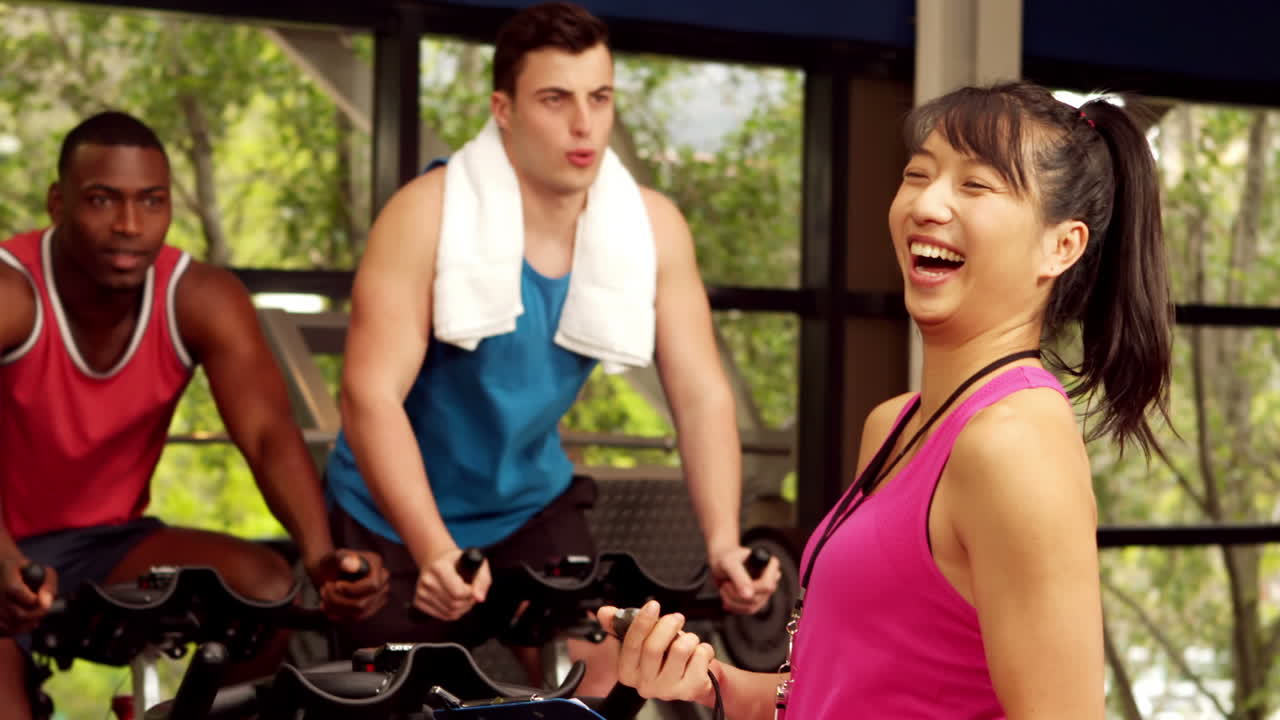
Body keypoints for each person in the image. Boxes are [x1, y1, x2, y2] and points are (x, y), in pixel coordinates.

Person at [599, 81, 1173, 719]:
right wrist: (712, 683)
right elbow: (849, 695)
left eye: (975, 185)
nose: (927, 204)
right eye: (917, 174)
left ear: (1060, 246)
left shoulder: (1014, 444)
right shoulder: (893, 424)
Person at [326, 0, 780, 694]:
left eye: (599, 98)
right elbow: (368, 396)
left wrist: (723, 541)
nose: (583, 124)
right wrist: (434, 550)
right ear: (502, 109)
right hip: (394, 513)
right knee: (407, 700)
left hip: (529, 504)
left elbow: (700, 393)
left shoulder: (649, 227)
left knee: (604, 679)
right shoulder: (424, 215)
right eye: (555, 99)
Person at [0, 111, 390, 718]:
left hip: (106, 543)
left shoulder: (200, 297)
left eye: (151, 202)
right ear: (57, 203)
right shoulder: (12, 292)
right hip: (1, 541)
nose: (129, 225)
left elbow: (266, 435)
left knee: (265, 590)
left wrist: (320, 557)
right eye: (103, 200)